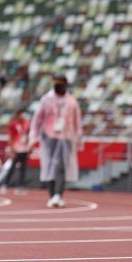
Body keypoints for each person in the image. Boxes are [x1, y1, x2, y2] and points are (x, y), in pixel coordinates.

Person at [29, 74, 81, 208]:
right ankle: (52, 195)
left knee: (61, 166)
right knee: (49, 167)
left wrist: (78, 137)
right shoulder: (46, 99)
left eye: (60, 83)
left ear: (65, 84)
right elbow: (38, 118)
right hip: (49, 137)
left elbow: (77, 121)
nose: (58, 85)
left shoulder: (71, 101)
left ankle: (58, 194)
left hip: (66, 137)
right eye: (55, 83)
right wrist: (33, 135)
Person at [0, 108, 31, 195]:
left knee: (23, 169)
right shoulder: (13, 124)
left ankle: (20, 187)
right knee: (12, 168)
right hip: (16, 149)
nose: (24, 115)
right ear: (18, 114)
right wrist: (12, 150)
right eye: (22, 113)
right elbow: (10, 137)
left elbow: (29, 136)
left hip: (25, 148)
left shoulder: (28, 123)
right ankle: (5, 185)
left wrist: (29, 148)